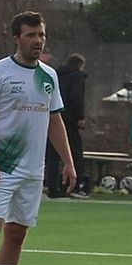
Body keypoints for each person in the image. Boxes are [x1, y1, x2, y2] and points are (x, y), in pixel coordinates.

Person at [0, 11, 74, 265]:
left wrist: (68, 162)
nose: (37, 41)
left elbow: (55, 121)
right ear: (17, 38)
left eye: (41, 35)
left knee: (17, 232)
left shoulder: (49, 76)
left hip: (33, 170)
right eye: (31, 35)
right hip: (1, 167)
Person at [47, 53, 87, 198]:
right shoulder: (77, 77)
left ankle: (53, 187)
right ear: (80, 65)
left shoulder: (54, 75)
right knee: (74, 153)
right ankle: (73, 187)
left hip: (52, 116)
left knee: (52, 154)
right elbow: (76, 97)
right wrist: (80, 117)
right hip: (70, 120)